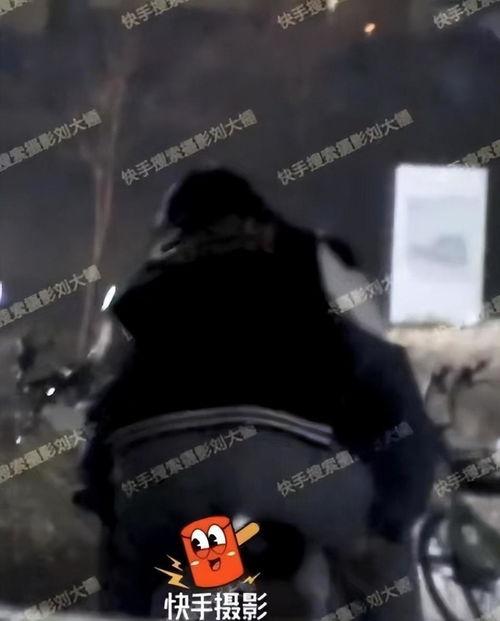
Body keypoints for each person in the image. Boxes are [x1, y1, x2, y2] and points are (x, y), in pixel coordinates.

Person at [76, 169, 437, 620]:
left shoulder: (143, 284)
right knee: (378, 554)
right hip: (290, 470)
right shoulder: (313, 257)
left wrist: (100, 496)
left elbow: (101, 405)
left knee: (130, 568)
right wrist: (398, 506)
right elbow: (386, 374)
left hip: (161, 476)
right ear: (257, 215)